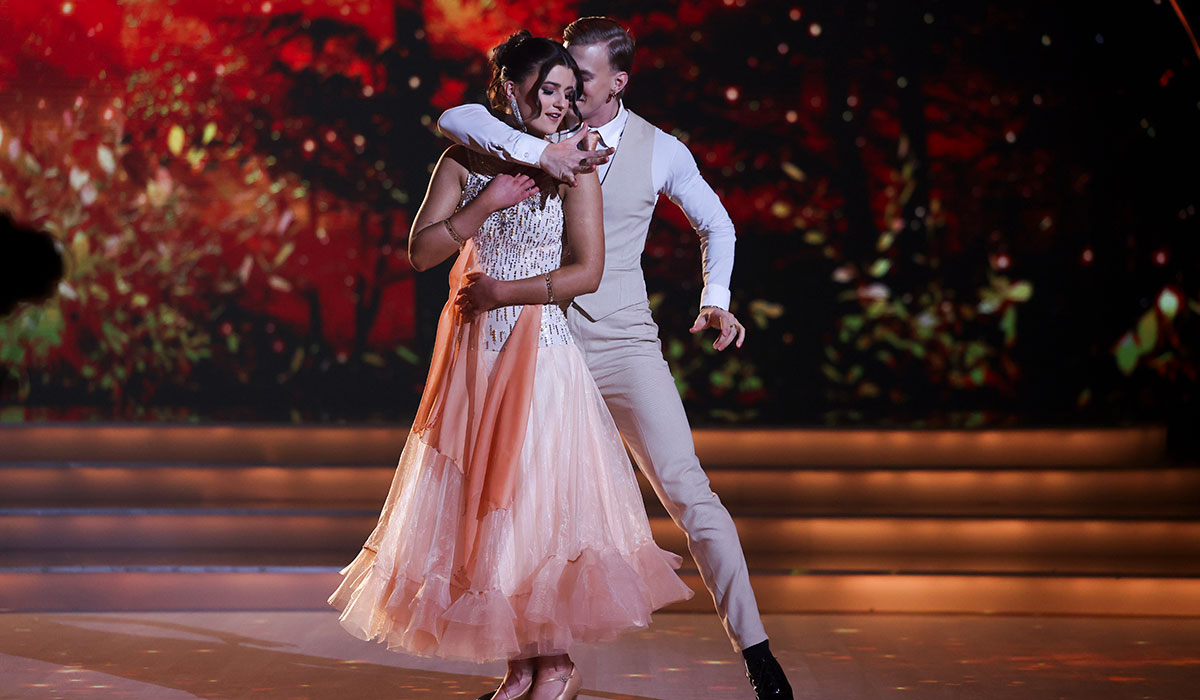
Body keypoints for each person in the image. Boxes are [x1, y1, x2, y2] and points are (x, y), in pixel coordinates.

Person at [329, 31, 693, 700]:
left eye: (565, 92)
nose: (556, 103)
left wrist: (507, 292)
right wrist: (485, 203)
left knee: (531, 501)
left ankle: (554, 662)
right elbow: (421, 251)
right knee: (484, 510)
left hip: (541, 349)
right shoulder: (463, 163)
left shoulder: (577, 166)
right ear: (507, 90)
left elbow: (587, 270)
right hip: (473, 353)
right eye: (544, 90)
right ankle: (519, 666)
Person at [437, 17, 794, 700]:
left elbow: (716, 222)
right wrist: (534, 152)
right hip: (538, 347)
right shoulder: (531, 138)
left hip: (620, 344)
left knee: (688, 491)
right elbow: (456, 117)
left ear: (619, 82)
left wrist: (714, 297)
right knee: (525, 509)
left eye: (581, 76)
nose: (563, 88)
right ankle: (538, 667)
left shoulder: (660, 149)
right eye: (557, 75)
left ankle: (757, 651)